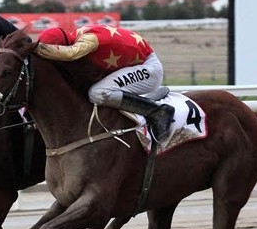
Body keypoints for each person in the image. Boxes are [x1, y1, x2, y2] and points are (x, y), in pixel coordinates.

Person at [35, 25, 175, 142]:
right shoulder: (75, 37)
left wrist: (34, 48)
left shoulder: (87, 41)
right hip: (136, 64)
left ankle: (157, 111)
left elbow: (70, 53)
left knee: (98, 93)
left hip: (148, 69)